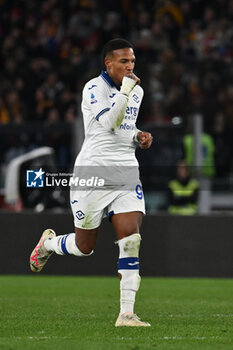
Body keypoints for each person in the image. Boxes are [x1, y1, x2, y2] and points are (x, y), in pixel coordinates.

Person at [30, 39, 153, 327]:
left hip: (125, 169)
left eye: (132, 61)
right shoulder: (93, 88)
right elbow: (109, 122)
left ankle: (126, 313)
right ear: (108, 63)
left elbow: (123, 127)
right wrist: (125, 91)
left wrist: (137, 136)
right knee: (85, 247)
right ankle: (49, 244)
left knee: (131, 239)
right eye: (124, 61)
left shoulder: (137, 91)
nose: (130, 66)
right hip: (93, 172)